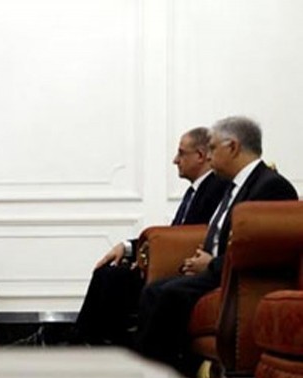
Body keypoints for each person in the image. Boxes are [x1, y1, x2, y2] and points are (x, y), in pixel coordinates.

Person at [135, 116, 298, 372]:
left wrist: (211, 265)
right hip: (216, 270)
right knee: (154, 290)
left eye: (212, 148)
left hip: (234, 277)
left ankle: (157, 375)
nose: (208, 156)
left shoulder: (271, 187)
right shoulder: (231, 185)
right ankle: (151, 372)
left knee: (165, 294)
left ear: (232, 147)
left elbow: (262, 251)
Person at [74, 128, 231, 345]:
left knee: (114, 279)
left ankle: (99, 346)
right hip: (171, 261)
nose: (175, 160)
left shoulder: (216, 188)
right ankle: (85, 343)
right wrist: (128, 247)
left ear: (200, 156)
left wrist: (150, 257)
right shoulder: (196, 191)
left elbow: (190, 237)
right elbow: (173, 235)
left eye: (181, 153)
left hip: (183, 267)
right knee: (107, 273)